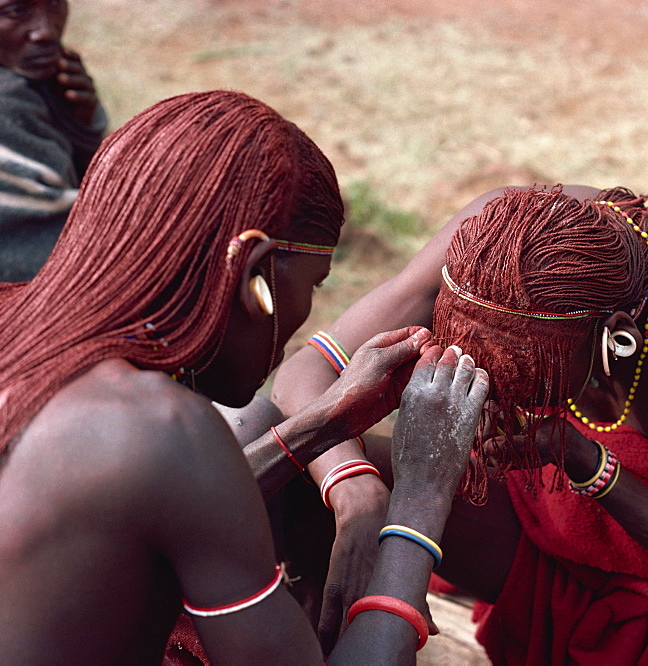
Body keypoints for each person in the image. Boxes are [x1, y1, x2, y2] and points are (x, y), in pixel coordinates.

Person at [272, 184, 648, 664]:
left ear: (614, 337)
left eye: (529, 383)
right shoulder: (495, 247)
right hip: (527, 522)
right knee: (282, 463)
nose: (503, 405)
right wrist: (356, 492)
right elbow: (303, 376)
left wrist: (581, 459)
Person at [0, 89, 490, 664]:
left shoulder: (23, 327)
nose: (306, 309)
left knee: (258, 420)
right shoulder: (161, 429)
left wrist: (326, 422)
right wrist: (419, 499)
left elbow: (148, 507)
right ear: (255, 275)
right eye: (314, 283)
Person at [0, 0, 107, 282]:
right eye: (15, 11)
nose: (46, 32)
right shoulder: (7, 102)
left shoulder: (39, 83)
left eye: (54, 3)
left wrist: (80, 126)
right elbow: (63, 256)